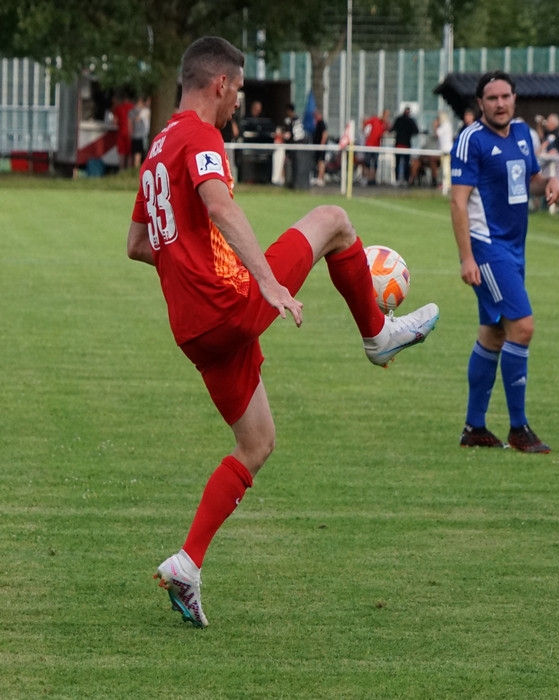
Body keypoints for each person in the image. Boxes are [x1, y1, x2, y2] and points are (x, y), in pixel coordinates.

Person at [128, 36, 440, 628]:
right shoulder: (199, 136)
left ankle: (187, 565)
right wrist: (267, 284)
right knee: (335, 220)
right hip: (231, 305)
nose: (237, 104)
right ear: (219, 83)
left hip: (195, 330)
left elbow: (139, 245)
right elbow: (219, 205)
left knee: (258, 443)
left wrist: (192, 265)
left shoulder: (156, 150)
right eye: (238, 91)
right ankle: (378, 335)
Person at [449, 70, 559, 453]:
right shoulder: (470, 141)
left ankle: (475, 428)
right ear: (480, 103)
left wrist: (547, 181)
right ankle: (519, 429)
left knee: (494, 333)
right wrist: (467, 257)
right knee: (523, 327)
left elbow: (526, 177)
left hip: (515, 248)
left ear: (515, 99)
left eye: (505, 96)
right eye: (492, 98)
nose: (500, 103)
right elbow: (458, 200)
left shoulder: (521, 135)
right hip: (487, 246)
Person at [390, 106, 420, 186]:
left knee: (398, 162)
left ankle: (397, 179)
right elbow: (416, 131)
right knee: (406, 163)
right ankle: (405, 179)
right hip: (406, 144)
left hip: (399, 144)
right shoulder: (410, 121)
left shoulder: (399, 120)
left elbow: (392, 129)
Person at [361, 110, 388, 185]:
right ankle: (367, 178)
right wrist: (364, 132)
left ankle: (373, 178)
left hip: (376, 146)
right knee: (367, 162)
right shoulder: (374, 119)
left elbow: (384, 133)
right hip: (369, 145)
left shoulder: (384, 125)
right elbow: (365, 122)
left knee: (375, 163)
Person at [129, 96, 151, 169]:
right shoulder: (143, 111)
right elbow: (137, 119)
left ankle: (136, 169)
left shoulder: (133, 111)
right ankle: (137, 169)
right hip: (141, 135)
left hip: (138, 135)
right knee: (139, 154)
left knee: (137, 154)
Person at [311, 109, 328, 185]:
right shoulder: (317, 124)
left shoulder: (321, 123)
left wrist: (322, 144)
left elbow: (325, 134)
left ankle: (321, 178)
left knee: (321, 162)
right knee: (318, 162)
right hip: (317, 146)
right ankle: (318, 177)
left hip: (321, 146)